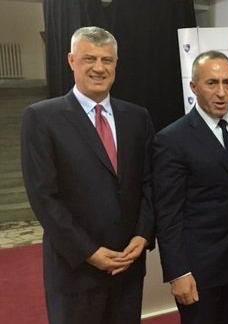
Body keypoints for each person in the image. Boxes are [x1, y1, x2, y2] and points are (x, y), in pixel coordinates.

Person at [21, 26, 155, 324]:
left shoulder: (137, 117)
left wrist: (143, 235)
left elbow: (148, 183)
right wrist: (89, 252)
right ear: (71, 61)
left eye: (107, 60)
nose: (99, 67)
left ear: (116, 64)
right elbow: (44, 197)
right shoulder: (42, 118)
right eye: (89, 59)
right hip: (76, 269)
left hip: (127, 267)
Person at [153, 50, 228, 324]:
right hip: (199, 270)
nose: (222, 92)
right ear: (194, 86)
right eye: (212, 83)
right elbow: (168, 213)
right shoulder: (171, 139)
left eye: (227, 82)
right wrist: (178, 272)